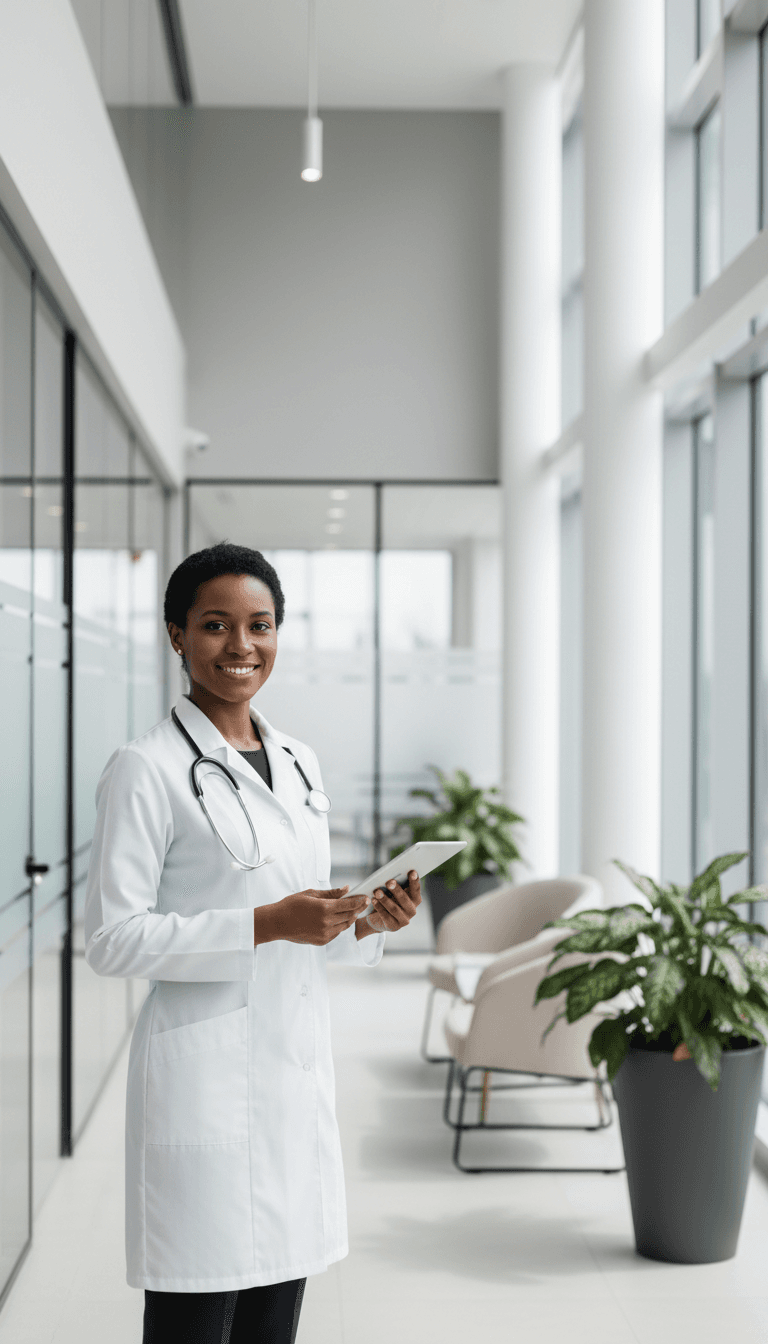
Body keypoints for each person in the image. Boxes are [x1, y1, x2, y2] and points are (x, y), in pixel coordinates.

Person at [84, 542, 421, 1344]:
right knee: (196, 1318)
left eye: (260, 625)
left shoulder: (299, 761)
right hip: (203, 1079)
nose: (241, 646)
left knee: (275, 1317)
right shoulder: (145, 768)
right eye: (215, 625)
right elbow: (111, 939)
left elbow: (312, 920)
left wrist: (365, 921)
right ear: (176, 636)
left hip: (290, 1076)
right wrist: (266, 923)